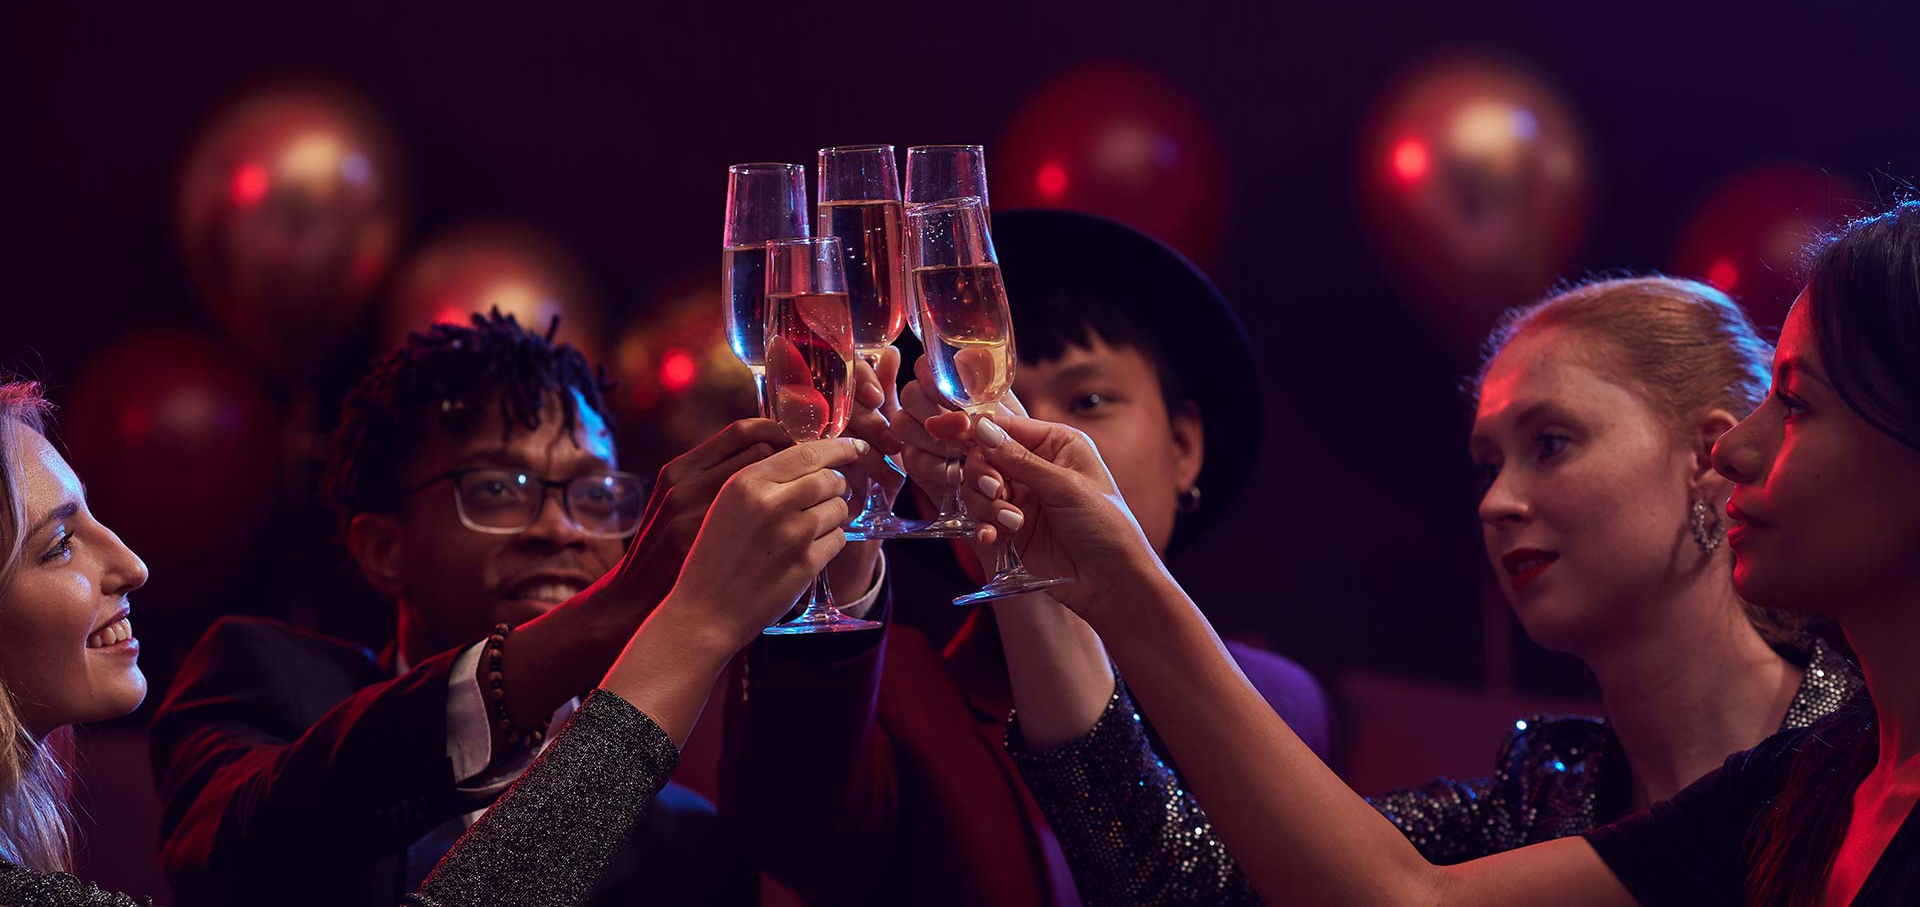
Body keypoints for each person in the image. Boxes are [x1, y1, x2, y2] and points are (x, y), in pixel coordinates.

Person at [949, 200, 1920, 904]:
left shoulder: (1833, 758)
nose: (1497, 502)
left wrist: (1126, 581)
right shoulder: (1567, 786)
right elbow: (1203, 881)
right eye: (1487, 462)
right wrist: (1032, 577)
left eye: (1551, 443)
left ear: (1703, 456)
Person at [0, 374, 874, 906]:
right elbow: (243, 850)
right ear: (384, 547)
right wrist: (650, 612)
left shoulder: (692, 837)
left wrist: (847, 554)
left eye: (598, 494)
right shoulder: (270, 681)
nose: (561, 528)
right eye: (501, 488)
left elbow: (823, 842)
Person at [721, 210, 1335, 906]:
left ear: (1185, 445)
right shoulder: (899, 700)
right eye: (980, 400)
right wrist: (845, 550)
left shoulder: (1283, 700)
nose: (1019, 435)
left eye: (1089, 400)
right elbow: (793, 835)